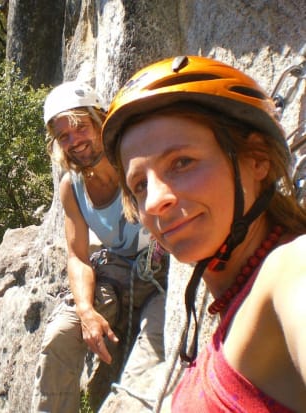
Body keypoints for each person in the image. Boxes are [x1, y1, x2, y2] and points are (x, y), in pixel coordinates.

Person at [102, 55, 306, 412]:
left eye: (181, 162)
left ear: (256, 158)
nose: (154, 202)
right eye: (139, 184)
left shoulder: (290, 269)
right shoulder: (234, 307)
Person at [32, 81, 168, 412]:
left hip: (166, 272)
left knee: (149, 361)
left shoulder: (132, 158)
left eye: (80, 127)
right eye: (64, 136)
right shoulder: (72, 187)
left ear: (99, 120)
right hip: (118, 271)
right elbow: (78, 256)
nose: (74, 141)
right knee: (60, 337)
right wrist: (86, 312)